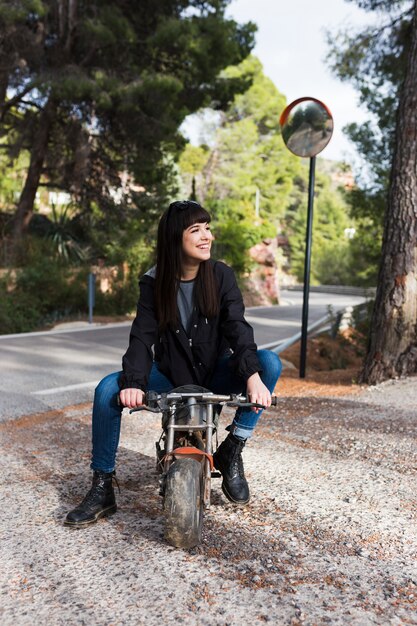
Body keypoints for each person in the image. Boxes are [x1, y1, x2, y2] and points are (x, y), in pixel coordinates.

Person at [64, 200, 282, 527]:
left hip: (215, 374)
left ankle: (233, 447)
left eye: (207, 228)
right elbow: (142, 336)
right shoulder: (153, 283)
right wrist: (135, 382)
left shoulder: (221, 275)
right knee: (107, 388)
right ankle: (102, 486)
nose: (206, 236)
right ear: (174, 238)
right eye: (196, 230)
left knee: (270, 363)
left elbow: (237, 327)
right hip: (170, 375)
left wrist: (251, 376)